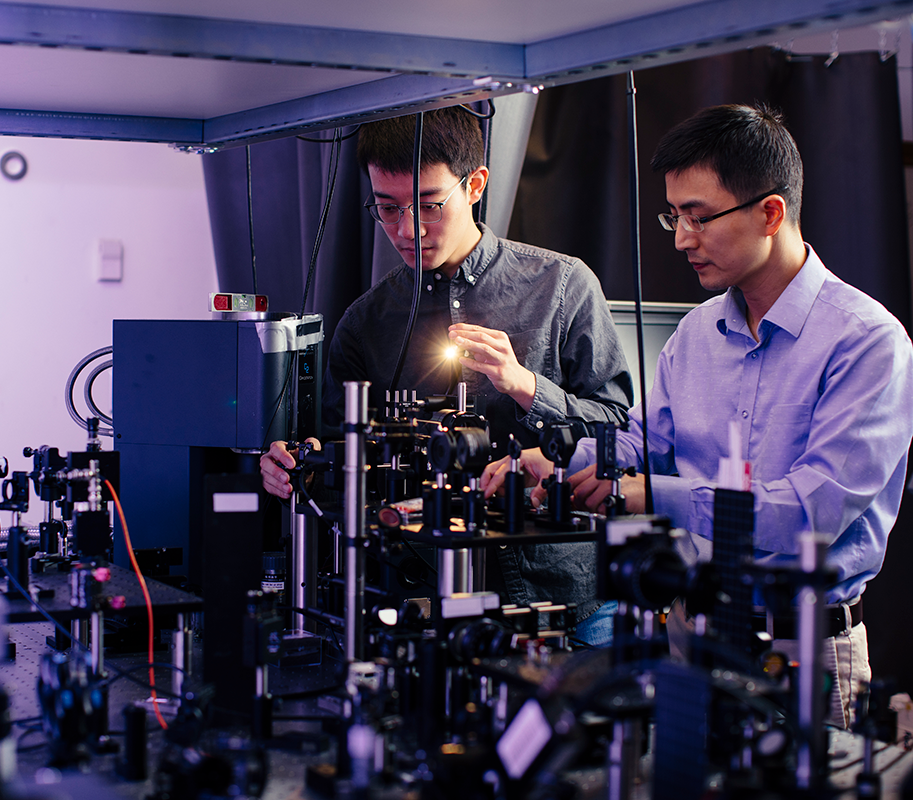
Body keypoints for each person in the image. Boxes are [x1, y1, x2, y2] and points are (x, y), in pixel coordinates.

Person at [483, 103, 913, 728]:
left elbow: (807, 513)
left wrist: (648, 495)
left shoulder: (867, 342)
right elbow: (642, 443)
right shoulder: (695, 334)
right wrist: (554, 461)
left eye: (699, 216)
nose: (682, 238)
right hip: (691, 632)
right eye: (674, 216)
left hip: (802, 648)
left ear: (771, 213)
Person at [260, 105, 634, 645]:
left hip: (566, 604)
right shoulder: (367, 321)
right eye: (386, 209)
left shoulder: (562, 285)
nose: (407, 229)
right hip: (425, 608)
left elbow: (618, 433)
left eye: (429, 205)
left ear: (476, 184)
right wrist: (301, 466)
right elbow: (341, 453)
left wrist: (525, 385)